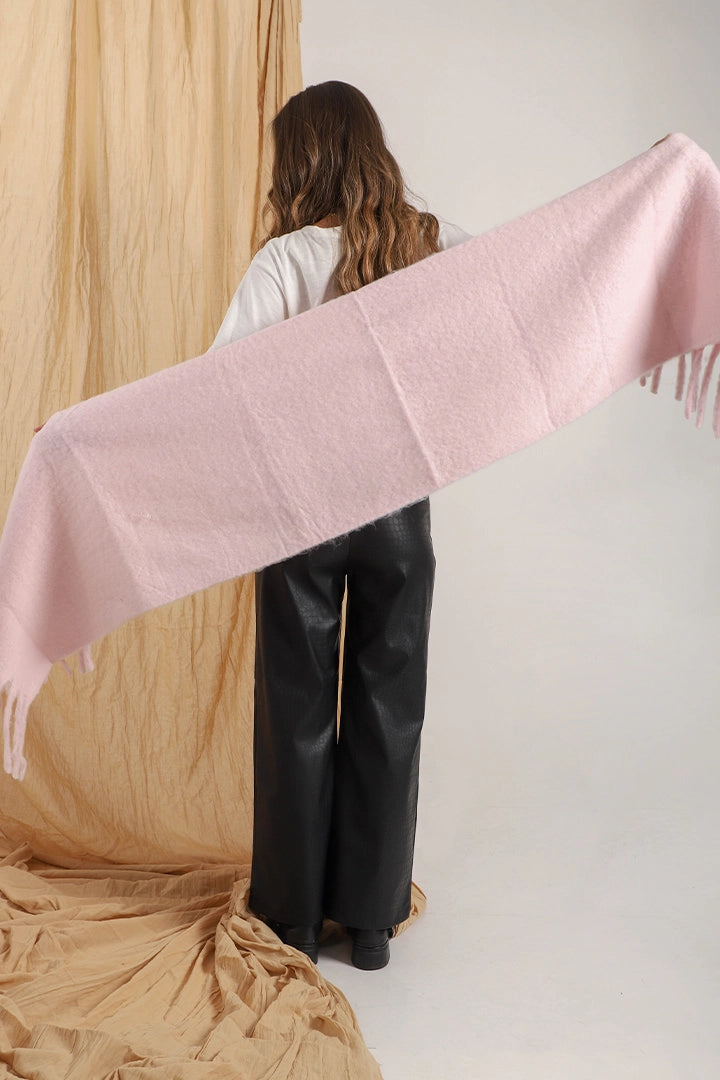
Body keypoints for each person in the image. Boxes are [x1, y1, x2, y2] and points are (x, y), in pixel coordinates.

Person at [210, 80, 472, 969]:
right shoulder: (433, 243)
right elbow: (515, 301)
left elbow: (219, 386)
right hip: (399, 508)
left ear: (306, 159)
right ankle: (368, 923)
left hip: (302, 508)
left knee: (295, 705)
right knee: (389, 705)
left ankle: (292, 917)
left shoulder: (286, 261)